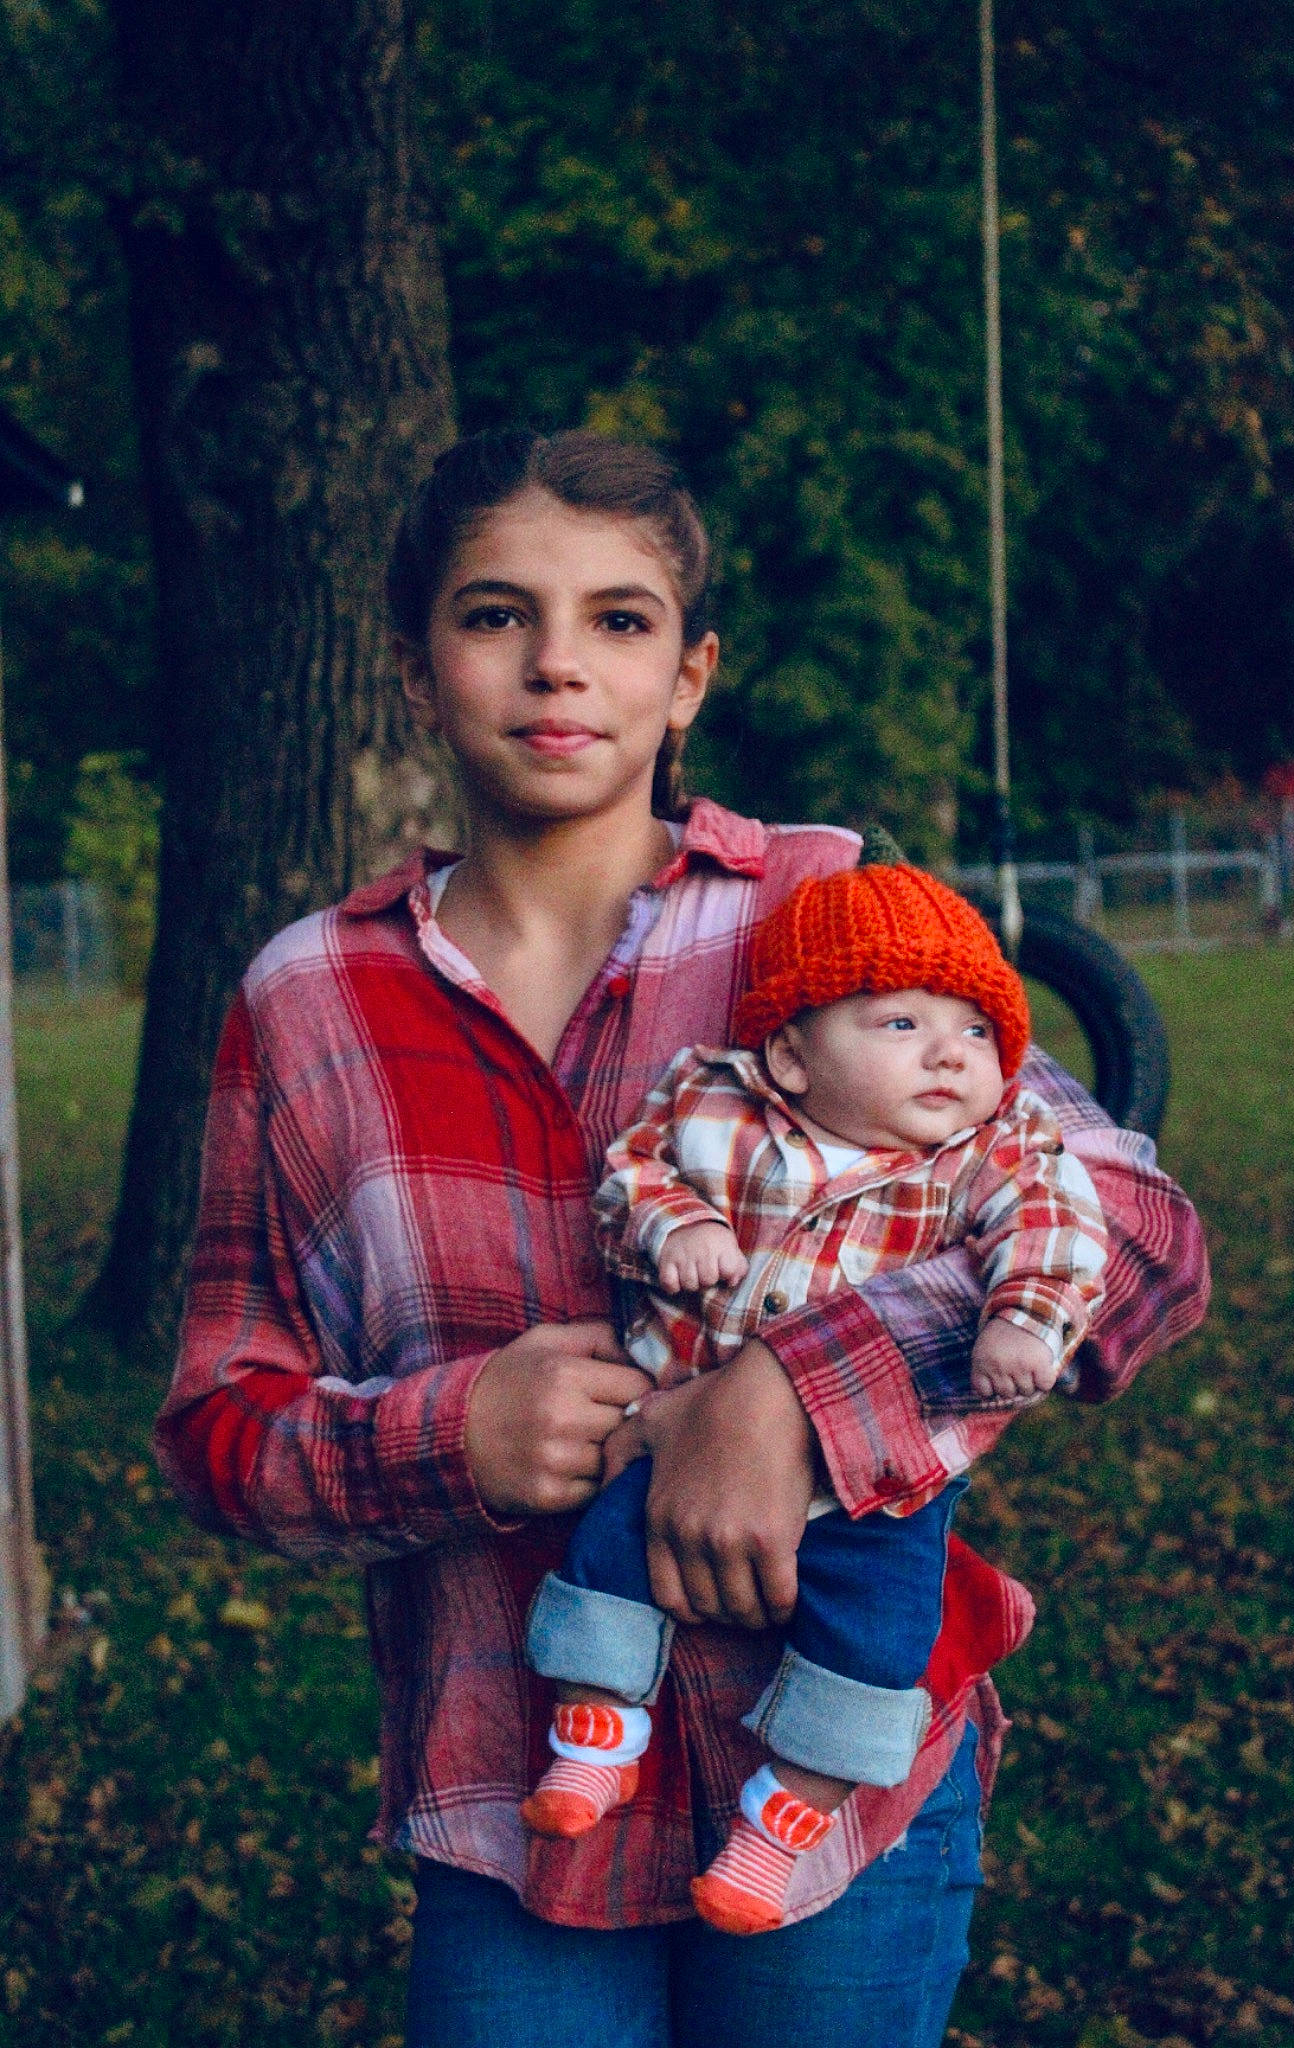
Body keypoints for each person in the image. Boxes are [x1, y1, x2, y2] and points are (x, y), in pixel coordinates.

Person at [153, 427, 1210, 2048]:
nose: (559, 662)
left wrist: (789, 1393)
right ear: (414, 663)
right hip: (516, 1792)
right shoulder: (308, 999)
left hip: (832, 1789)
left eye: (621, 619)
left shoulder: (827, 909)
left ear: (692, 673)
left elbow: (1136, 1236)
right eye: (496, 613)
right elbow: (222, 1428)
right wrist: (458, 1430)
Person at [520, 862, 1110, 1936]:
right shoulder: (714, 1103)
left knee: (879, 1635)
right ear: (790, 1051)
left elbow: (1060, 1224)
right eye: (900, 1021)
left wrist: (1024, 1316)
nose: (949, 1051)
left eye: (978, 1029)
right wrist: (674, 1226)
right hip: (677, 1431)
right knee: (608, 1551)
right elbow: (632, 1174)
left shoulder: (997, 1145)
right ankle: (595, 1732)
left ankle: (781, 1823)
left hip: (883, 1473)